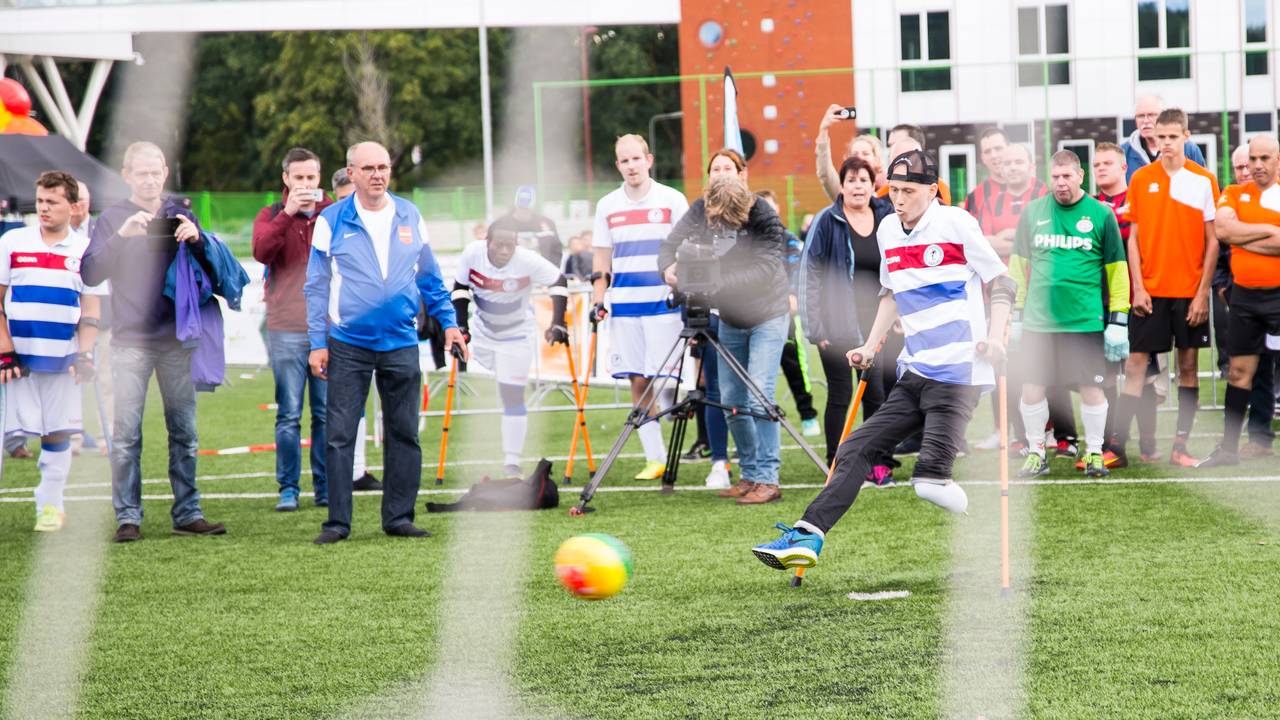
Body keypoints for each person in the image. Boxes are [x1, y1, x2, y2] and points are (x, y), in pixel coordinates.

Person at [752, 149, 1013, 569]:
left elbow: (1002, 282)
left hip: (959, 374)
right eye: (893, 190)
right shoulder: (889, 229)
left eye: (909, 191)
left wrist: (998, 336)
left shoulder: (956, 223)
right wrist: (871, 345)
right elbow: (890, 293)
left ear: (932, 190)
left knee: (929, 484)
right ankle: (807, 536)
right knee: (853, 448)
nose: (899, 199)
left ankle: (974, 514)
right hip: (915, 370)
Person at [306, 141, 467, 545]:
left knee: (404, 432)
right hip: (347, 342)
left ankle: (398, 516)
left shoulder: (410, 213)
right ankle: (338, 522)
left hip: (400, 340)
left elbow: (430, 279)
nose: (378, 175)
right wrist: (316, 342)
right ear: (352, 172)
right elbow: (316, 285)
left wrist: (449, 324)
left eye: (383, 167)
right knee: (340, 433)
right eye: (369, 168)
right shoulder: (331, 220)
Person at [83, 141, 227, 542]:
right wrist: (123, 237)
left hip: (177, 340)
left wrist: (197, 239)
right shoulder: (112, 218)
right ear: (126, 175)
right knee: (126, 435)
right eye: (140, 172)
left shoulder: (178, 210)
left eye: (155, 171)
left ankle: (188, 512)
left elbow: (210, 272)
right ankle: (128, 517)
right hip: (130, 340)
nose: (149, 179)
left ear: (165, 172)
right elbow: (90, 272)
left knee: (185, 432)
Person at [660, 149, 791, 505]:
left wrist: (717, 283)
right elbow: (670, 244)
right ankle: (748, 474)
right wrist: (668, 270)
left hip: (768, 314)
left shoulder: (764, 214)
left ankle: (768, 478)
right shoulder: (701, 208)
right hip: (730, 317)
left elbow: (766, 268)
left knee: (759, 394)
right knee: (731, 400)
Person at [1010, 151, 1130, 478]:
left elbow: (1118, 271)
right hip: (1038, 322)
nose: (1061, 183)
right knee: (1032, 387)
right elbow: (1018, 267)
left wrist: (1119, 319)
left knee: (1092, 389)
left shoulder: (1100, 215)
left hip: (1084, 321)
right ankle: (1037, 452)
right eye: (1056, 177)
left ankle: (1093, 452)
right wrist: (1016, 314)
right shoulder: (1033, 213)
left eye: (1067, 176)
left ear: (1080, 177)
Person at [1110, 108, 1219, 467]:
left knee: (1188, 367)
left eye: (1174, 136)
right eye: (1161, 137)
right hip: (1150, 294)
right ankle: (1117, 449)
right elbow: (1134, 239)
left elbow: (1213, 241)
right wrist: (1138, 289)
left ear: (1186, 136)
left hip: (1190, 294)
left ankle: (1180, 448)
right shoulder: (1141, 179)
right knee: (1136, 366)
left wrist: (1202, 293)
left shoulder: (1203, 180)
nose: (1166, 143)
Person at [0, 172, 104, 532]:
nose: (43, 208)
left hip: (62, 359)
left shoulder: (87, 250)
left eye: (53, 202)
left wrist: (85, 354)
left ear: (73, 207)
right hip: (15, 362)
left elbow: (90, 309)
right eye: (40, 201)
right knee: (6, 433)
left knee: (57, 434)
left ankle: (49, 505)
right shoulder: (12, 242)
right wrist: (5, 350)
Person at [590, 134, 689, 481]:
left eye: (636, 159)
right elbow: (602, 256)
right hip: (627, 306)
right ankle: (655, 457)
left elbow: (686, 249)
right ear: (618, 165)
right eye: (624, 161)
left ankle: (677, 427)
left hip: (664, 305)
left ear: (649, 160)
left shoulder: (672, 199)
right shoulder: (607, 205)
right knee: (638, 379)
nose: (631, 166)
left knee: (665, 379)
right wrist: (598, 299)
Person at [451, 214, 571, 477]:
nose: (505, 251)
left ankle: (512, 461)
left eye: (511, 245)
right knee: (488, 393)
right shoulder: (472, 253)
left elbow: (559, 280)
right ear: (487, 242)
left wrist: (558, 322)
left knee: (511, 395)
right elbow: (460, 287)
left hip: (516, 337)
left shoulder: (527, 260)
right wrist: (461, 327)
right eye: (499, 245)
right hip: (482, 335)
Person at [799, 155, 894, 477]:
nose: (857, 186)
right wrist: (816, 327)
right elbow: (809, 273)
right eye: (851, 180)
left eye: (863, 180)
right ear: (842, 185)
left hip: (876, 323)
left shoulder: (887, 217)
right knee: (840, 396)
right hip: (836, 323)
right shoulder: (827, 220)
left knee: (876, 395)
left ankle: (876, 461)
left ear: (873, 185)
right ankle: (836, 462)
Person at [253, 148, 333, 511]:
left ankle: (326, 486)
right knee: (288, 413)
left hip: (328, 328)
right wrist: (288, 214)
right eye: (298, 178)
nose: (305, 185)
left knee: (325, 412)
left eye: (311, 178)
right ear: (286, 179)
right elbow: (260, 251)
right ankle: (289, 489)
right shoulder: (271, 214)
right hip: (284, 327)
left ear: (319, 178)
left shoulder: (333, 213)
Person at [1198, 134, 1280, 466]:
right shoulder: (1233, 193)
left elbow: (1236, 233)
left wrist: (1245, 236)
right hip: (1244, 298)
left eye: (1263, 159)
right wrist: (1270, 233)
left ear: (1277, 159)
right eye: (1252, 160)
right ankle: (1228, 449)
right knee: (1238, 373)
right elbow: (1223, 231)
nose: (1256, 166)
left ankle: (1261, 439)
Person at [1094, 142, 1162, 464]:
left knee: (1143, 373)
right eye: (1096, 165)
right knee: (1106, 374)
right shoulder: (1090, 205)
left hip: (1137, 296)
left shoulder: (1138, 200)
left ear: (1124, 167)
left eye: (1108, 162)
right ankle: (1111, 442)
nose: (1101, 168)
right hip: (1101, 301)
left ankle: (1149, 443)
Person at [328, 167, 381, 491]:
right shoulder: (330, 225)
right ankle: (346, 474)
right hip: (341, 330)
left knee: (376, 404)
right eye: (346, 197)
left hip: (379, 328)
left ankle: (360, 471)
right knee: (341, 408)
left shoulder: (381, 224)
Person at [758, 189, 819, 438]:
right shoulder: (750, 241)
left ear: (778, 210)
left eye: (770, 207)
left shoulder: (788, 238)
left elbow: (796, 268)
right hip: (754, 316)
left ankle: (808, 415)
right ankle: (758, 419)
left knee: (794, 365)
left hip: (783, 313)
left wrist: (792, 294)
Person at [1122, 94, 1207, 182]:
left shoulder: (1188, 148)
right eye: (1140, 116)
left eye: (1151, 115)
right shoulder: (1124, 152)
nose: (1145, 121)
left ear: (1163, 116)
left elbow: (1203, 182)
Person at [498, 185, 563, 267]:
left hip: (540, 272)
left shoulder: (547, 224)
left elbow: (556, 249)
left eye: (527, 207)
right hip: (511, 273)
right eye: (521, 207)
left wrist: (552, 270)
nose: (523, 210)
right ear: (515, 205)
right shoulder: (500, 224)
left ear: (533, 206)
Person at [963, 127, 1009, 215]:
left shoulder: (1035, 190)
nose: (994, 155)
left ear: (1010, 149)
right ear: (983, 158)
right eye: (987, 151)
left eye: (998, 148)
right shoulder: (974, 197)